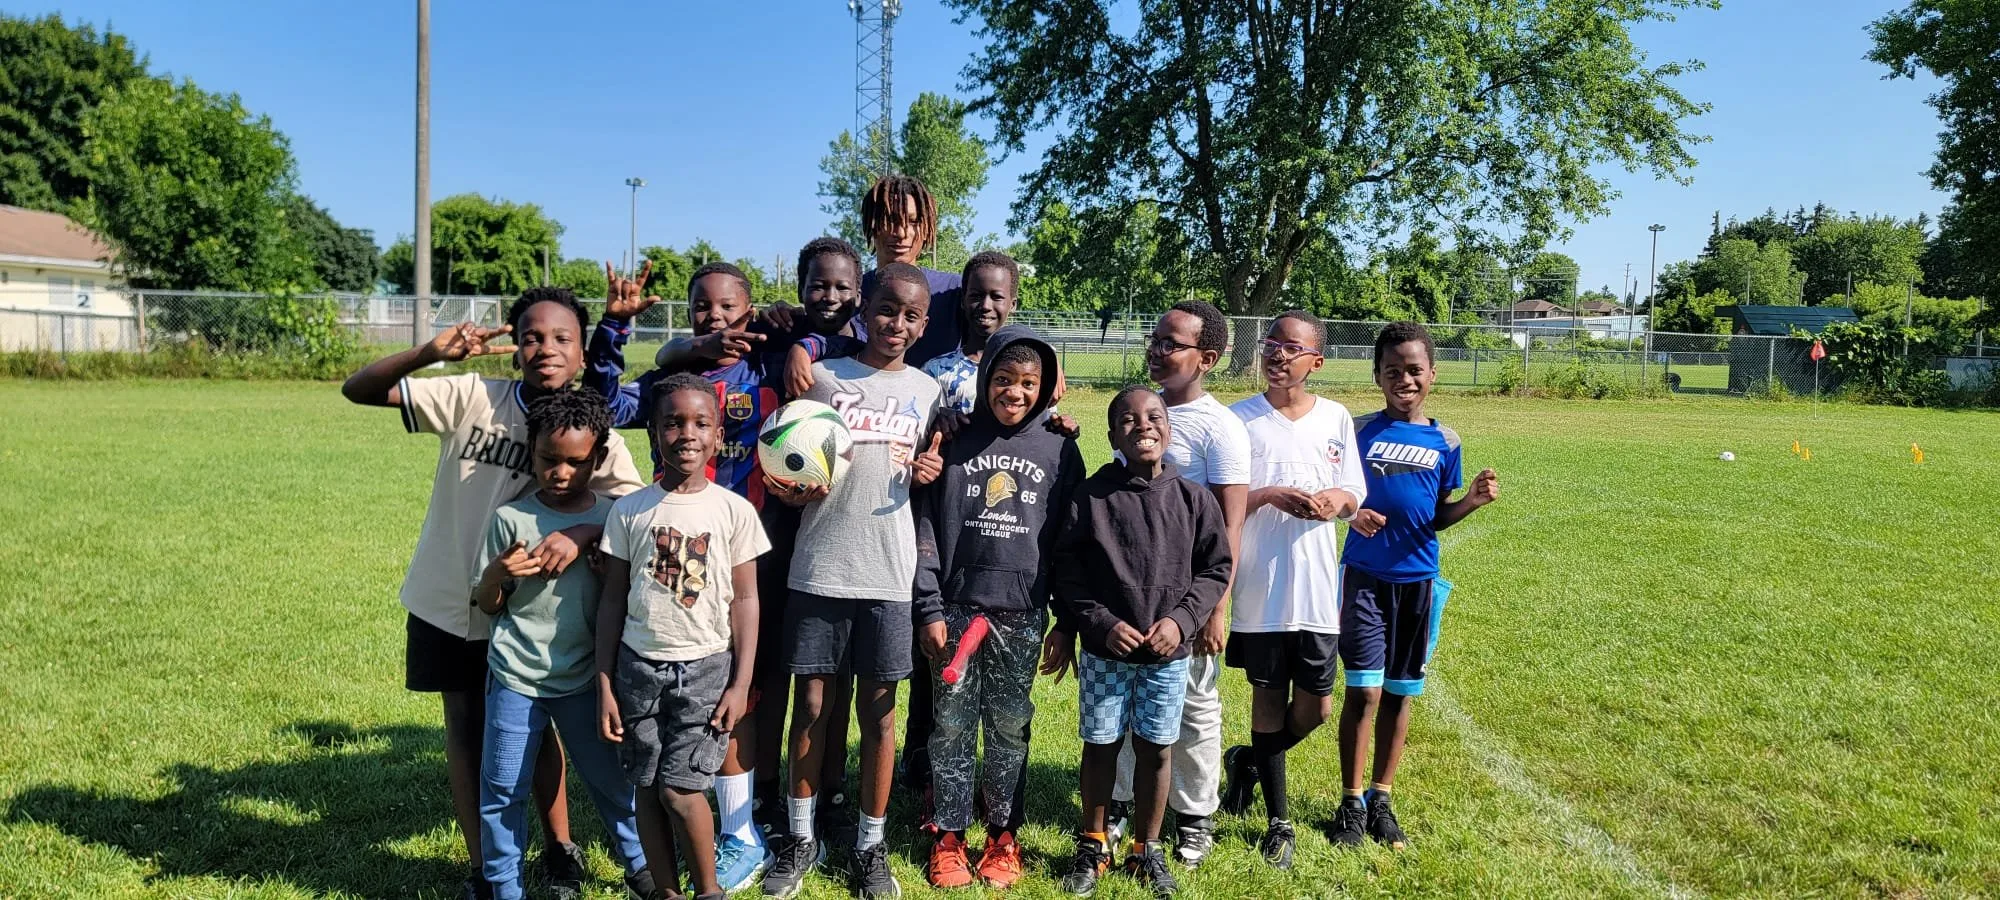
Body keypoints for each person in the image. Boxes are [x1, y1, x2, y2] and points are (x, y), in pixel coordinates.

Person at [340, 287, 645, 900]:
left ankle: (560, 846)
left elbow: (631, 507)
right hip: (449, 595)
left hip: (538, 617)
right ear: (514, 348)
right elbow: (360, 389)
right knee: (467, 727)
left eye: (562, 338)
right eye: (531, 336)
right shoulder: (473, 394)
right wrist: (431, 352)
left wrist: (585, 528)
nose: (546, 349)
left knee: (543, 729)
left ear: (583, 352)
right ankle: (486, 869)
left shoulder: (591, 425)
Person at [607, 240, 868, 867]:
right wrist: (630, 333)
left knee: (759, 684)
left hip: (762, 554)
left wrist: (800, 338)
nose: (716, 316)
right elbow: (607, 400)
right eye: (702, 306)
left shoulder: (769, 362)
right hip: (681, 562)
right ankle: (717, 811)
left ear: (751, 312)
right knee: (710, 687)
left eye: (730, 305)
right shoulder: (672, 384)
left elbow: (848, 326)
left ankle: (759, 803)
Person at [763, 263, 945, 900]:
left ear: (924, 324)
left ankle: (870, 844)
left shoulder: (929, 392)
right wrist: (789, 491)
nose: (898, 324)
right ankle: (801, 837)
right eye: (887, 310)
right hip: (818, 566)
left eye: (912, 315)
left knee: (879, 712)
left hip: (890, 574)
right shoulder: (822, 378)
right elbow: (786, 469)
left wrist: (929, 470)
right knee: (810, 706)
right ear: (864, 309)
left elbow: (935, 468)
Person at [911, 326, 1086, 890]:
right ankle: (949, 835)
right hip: (958, 606)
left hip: (1023, 611)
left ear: (1045, 387)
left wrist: (1064, 619)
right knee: (951, 723)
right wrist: (929, 605)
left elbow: (1067, 541)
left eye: (1029, 382)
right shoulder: (954, 439)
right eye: (1004, 380)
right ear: (986, 380)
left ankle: (1003, 836)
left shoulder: (1060, 447)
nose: (1015, 392)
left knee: (1010, 724)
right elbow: (927, 531)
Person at [473, 391, 655, 900]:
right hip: (515, 677)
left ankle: (640, 865)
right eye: (549, 459)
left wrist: (593, 539)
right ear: (531, 450)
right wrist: (494, 574)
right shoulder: (511, 521)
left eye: (577, 462)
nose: (560, 472)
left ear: (598, 459)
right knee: (503, 788)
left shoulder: (618, 516)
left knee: (612, 783)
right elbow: (488, 604)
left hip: (585, 678)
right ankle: (504, 885)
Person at [1051, 387, 1232, 899]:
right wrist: (1100, 622)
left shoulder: (1193, 499)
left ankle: (1146, 848)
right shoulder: (1091, 496)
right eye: (1127, 420)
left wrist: (1183, 620)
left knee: (1156, 748)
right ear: (1112, 435)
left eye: (1153, 417)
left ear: (1169, 429)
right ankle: (1093, 841)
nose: (1142, 426)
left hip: (1166, 654)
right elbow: (1067, 569)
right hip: (1106, 652)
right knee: (1102, 744)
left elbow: (1216, 568)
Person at [597, 373, 772, 900]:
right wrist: (604, 682)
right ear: (653, 433)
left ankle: (708, 891)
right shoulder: (630, 510)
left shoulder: (734, 510)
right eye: (672, 423)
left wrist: (740, 684)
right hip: (637, 669)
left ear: (719, 435)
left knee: (681, 787)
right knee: (647, 786)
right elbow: (611, 600)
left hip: (706, 671)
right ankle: (667, 893)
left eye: (701, 423)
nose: (687, 434)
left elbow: (746, 600)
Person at [1333, 321, 1501, 851]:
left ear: (1432, 375)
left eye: (1414, 370)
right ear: (1376, 376)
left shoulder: (1445, 440)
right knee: (1364, 690)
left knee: (1400, 694)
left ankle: (1383, 797)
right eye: (1392, 371)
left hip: (1418, 583)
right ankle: (1351, 801)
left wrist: (1469, 502)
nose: (1403, 379)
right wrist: (1352, 513)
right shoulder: (1357, 431)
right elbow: (1337, 495)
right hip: (1363, 579)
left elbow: (1434, 516)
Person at [1215, 311, 1367, 870]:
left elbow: (1353, 489)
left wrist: (1337, 501)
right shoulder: (1238, 420)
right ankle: (1279, 822)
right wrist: (1269, 494)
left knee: (1318, 708)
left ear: (1316, 361)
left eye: (1292, 347)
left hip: (1316, 585)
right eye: (1271, 343)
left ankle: (1248, 762)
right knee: (1267, 699)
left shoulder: (1335, 418)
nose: (1278, 354)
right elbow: (1223, 500)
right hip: (1260, 585)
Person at [1107, 300, 1248, 867]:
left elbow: (1231, 524)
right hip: (1133, 593)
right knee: (1126, 703)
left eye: (1172, 343)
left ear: (1206, 358)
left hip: (1187, 603)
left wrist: (1215, 608)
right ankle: (1119, 803)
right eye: (1155, 339)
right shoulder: (1145, 411)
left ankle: (1194, 815)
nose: (1157, 351)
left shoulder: (1222, 427)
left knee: (1193, 707)